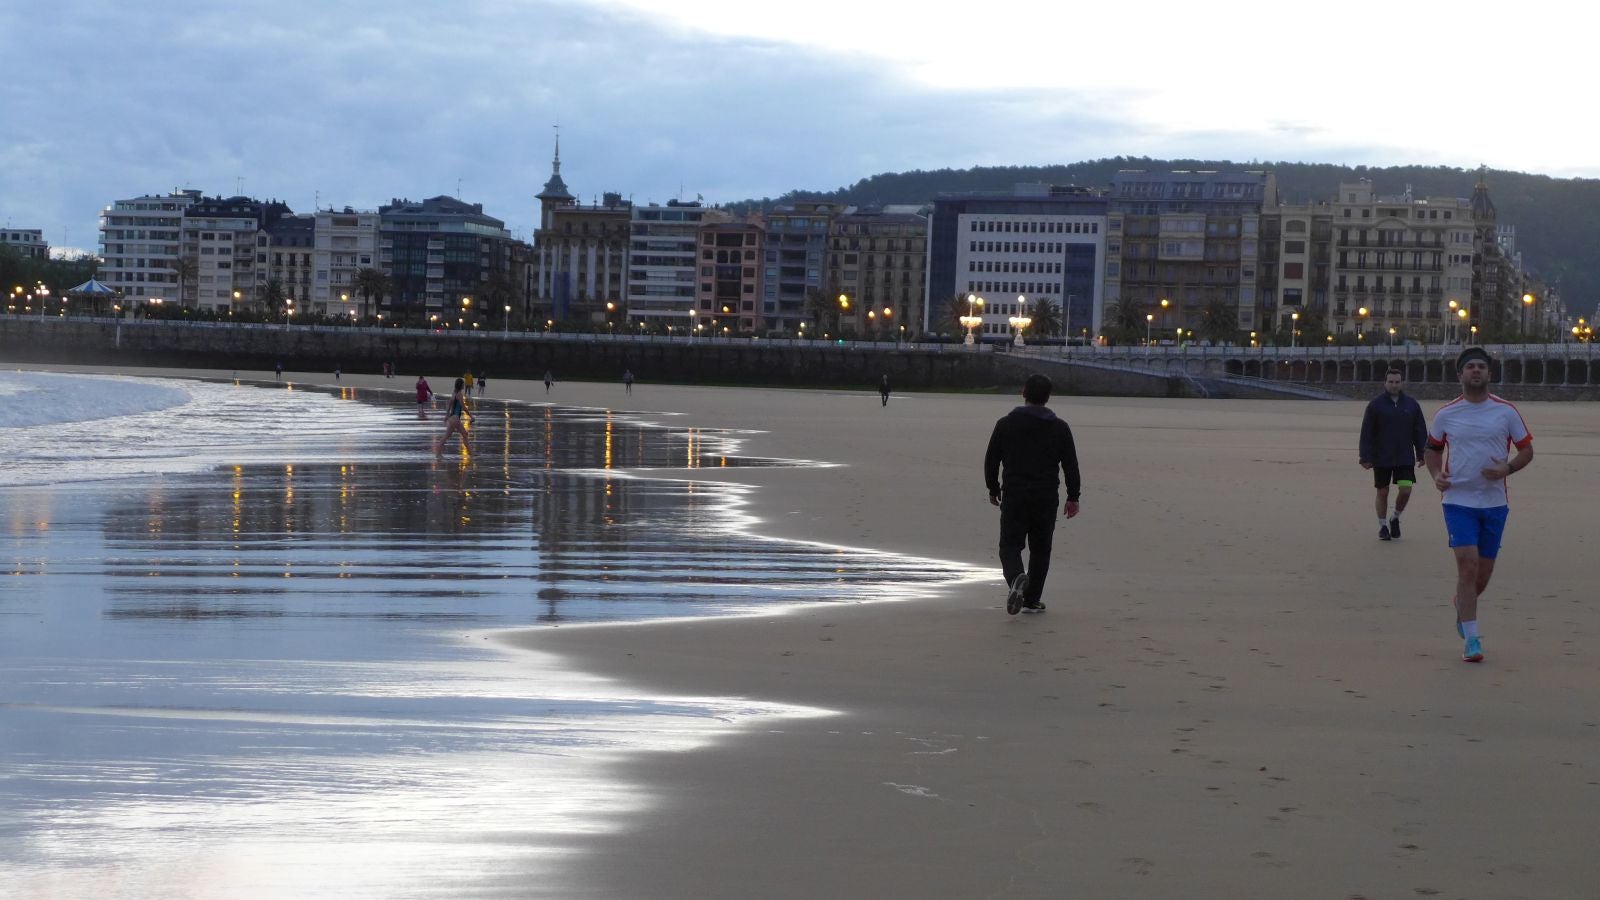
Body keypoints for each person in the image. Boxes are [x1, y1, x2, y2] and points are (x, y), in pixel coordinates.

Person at [1423, 347, 1533, 664]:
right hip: (1458, 500)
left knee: (1482, 576)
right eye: (1470, 367)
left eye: (1481, 367)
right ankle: (1472, 640)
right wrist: (1435, 474)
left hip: (1495, 503)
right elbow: (1432, 450)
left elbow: (1526, 451)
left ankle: (1462, 602)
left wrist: (1507, 469)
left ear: (1488, 374)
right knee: (1467, 565)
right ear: (1460, 375)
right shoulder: (1447, 414)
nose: (1475, 371)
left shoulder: (1506, 411)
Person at [983, 373, 1081, 615]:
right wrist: (1073, 496)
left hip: (1015, 493)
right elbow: (1070, 464)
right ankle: (1032, 599)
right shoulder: (1060, 427)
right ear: (1048, 397)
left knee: (1010, 545)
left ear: (1023, 393)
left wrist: (993, 488)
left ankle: (1017, 577)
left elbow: (991, 460)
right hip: (1046, 495)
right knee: (1040, 548)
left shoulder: (1005, 424)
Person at [1359, 367, 1427, 540]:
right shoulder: (1375, 405)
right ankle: (1382, 526)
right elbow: (1366, 432)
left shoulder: (1412, 405)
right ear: (1385, 382)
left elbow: (1419, 431)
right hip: (1381, 457)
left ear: (1401, 383)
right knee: (1382, 492)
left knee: (1405, 490)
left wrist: (1422, 453)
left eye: (1397, 382)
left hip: (1404, 457)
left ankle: (1395, 517)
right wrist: (1365, 456)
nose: (1394, 385)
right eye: (1391, 382)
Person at [435, 377, 472, 456]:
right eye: (463, 384)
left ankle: (471, 453)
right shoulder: (459, 394)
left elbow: (449, 406)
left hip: (453, 418)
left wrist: (446, 416)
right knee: (446, 437)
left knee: (463, 434)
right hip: (455, 419)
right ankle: (438, 453)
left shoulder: (454, 393)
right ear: (460, 385)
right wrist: (471, 416)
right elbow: (463, 407)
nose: (464, 385)